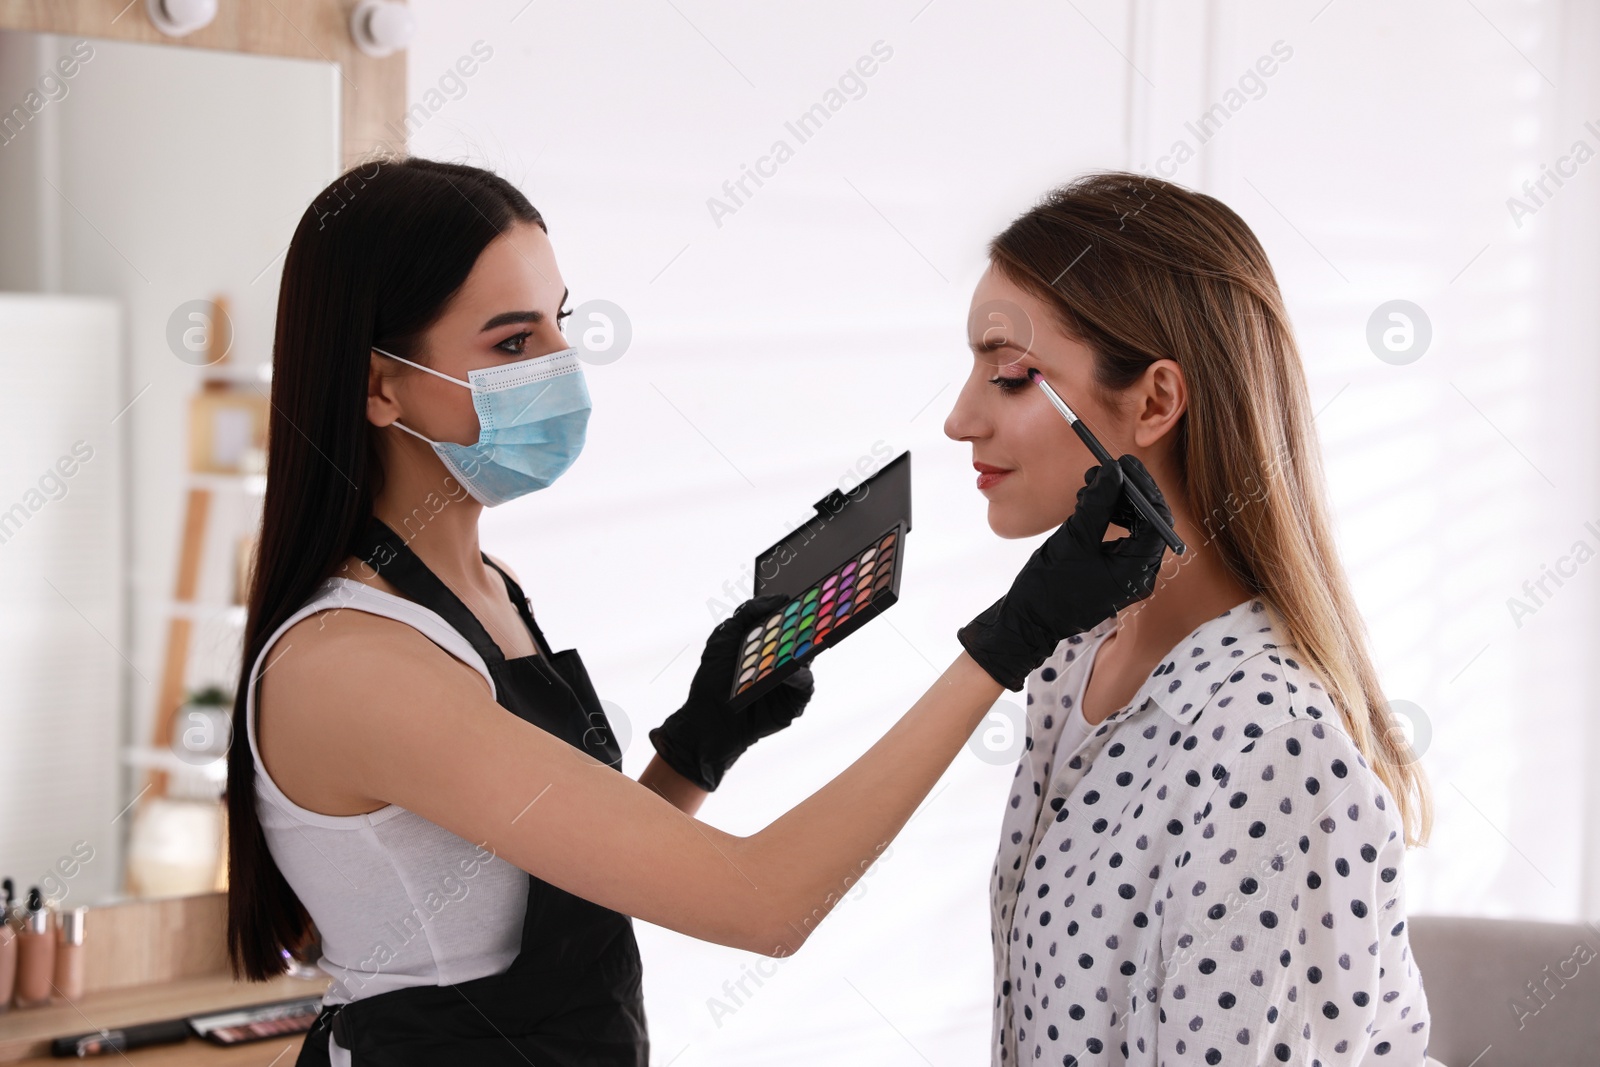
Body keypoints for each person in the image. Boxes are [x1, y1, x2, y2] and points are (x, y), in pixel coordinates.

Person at [226, 156, 1174, 1066]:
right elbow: (766, 905)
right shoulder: (351, 664)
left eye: (560, 323)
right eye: (514, 343)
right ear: (380, 384)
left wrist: (696, 746)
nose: (564, 364)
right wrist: (1013, 634)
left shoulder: (487, 588)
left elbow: (556, 891)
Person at [943, 171, 1435, 1065]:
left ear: (1157, 402)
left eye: (1011, 376)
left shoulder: (1269, 748)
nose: (958, 418)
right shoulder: (1076, 662)